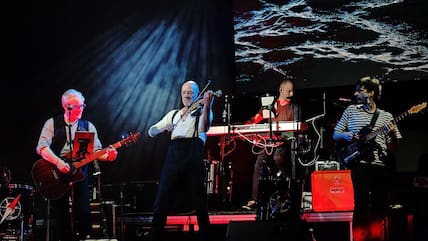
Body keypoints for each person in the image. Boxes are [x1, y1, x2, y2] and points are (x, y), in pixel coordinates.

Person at [36, 89, 118, 241]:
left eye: (82, 105)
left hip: (80, 171)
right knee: (61, 214)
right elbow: (41, 148)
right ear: (67, 107)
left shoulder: (88, 126)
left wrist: (110, 156)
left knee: (83, 211)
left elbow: (97, 152)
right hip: (58, 173)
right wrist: (59, 163)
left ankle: (84, 236)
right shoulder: (52, 123)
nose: (82, 109)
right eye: (79, 106)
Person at [333, 76, 401, 241]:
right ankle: (359, 238)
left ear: (371, 93)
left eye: (360, 90)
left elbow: (393, 148)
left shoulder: (386, 116)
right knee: (361, 204)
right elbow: (335, 134)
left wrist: (392, 134)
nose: (355, 93)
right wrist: (347, 134)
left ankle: (377, 237)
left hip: (380, 165)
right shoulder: (351, 111)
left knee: (379, 205)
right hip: (359, 164)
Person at [148, 81, 214, 241]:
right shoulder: (173, 115)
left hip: (193, 153)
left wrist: (207, 106)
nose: (187, 95)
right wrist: (164, 128)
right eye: (184, 92)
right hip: (174, 153)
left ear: (197, 94)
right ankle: (155, 235)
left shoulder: (202, 111)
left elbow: (205, 128)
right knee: (162, 196)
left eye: (190, 92)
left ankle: (206, 236)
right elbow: (151, 131)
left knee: (199, 198)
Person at [242, 79, 300, 210]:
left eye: (293, 91)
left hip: (284, 143)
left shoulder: (294, 108)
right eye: (289, 90)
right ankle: (255, 199)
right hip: (269, 143)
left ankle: (285, 192)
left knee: (278, 158)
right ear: (281, 90)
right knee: (259, 162)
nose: (291, 93)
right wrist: (244, 128)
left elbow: (294, 130)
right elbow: (255, 119)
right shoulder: (269, 106)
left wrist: (281, 137)